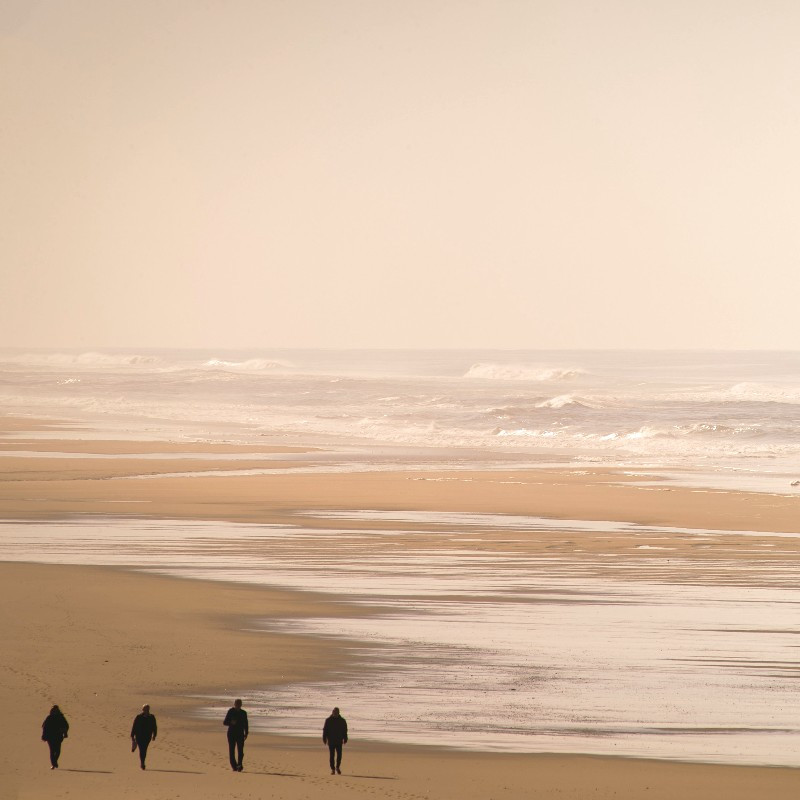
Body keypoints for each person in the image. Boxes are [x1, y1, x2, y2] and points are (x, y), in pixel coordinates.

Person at [223, 698, 248, 771]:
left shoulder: (243, 713)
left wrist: (246, 733)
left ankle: (239, 765)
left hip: (240, 734)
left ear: (241, 705)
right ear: (234, 704)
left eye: (239, 704)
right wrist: (231, 722)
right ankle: (234, 766)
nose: (238, 706)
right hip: (231, 734)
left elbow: (246, 724)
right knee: (232, 750)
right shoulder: (231, 711)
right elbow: (225, 722)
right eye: (237, 704)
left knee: (240, 751)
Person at [130, 704, 158, 770]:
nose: (146, 710)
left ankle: (142, 762)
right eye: (145, 709)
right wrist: (132, 736)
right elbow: (134, 726)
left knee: (144, 749)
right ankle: (142, 763)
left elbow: (154, 727)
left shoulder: (152, 717)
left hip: (147, 737)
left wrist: (154, 735)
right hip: (139, 736)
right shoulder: (139, 717)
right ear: (143, 710)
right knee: (141, 749)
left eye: (147, 709)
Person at [41, 705, 69, 769]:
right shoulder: (52, 717)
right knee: (54, 750)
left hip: (56, 736)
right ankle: (54, 763)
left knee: (56, 750)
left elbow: (66, 726)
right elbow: (45, 727)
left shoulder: (58, 717)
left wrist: (65, 732)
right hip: (52, 737)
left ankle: (54, 762)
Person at [322, 707, 348, 775]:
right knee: (332, 755)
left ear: (338, 713)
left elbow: (345, 730)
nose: (335, 713)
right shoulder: (328, 720)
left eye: (336, 712)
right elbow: (325, 730)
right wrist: (324, 738)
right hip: (331, 741)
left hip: (339, 741)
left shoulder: (342, 721)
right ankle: (333, 769)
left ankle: (337, 767)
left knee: (339, 755)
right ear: (332, 712)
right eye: (334, 712)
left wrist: (345, 738)